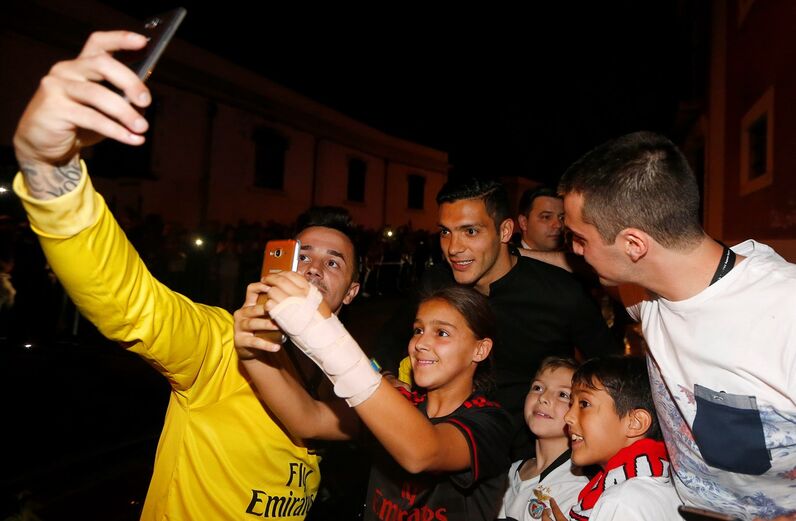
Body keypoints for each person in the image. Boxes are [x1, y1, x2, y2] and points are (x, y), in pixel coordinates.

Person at [11, 31, 363, 520]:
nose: (313, 268)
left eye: (334, 262)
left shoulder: (344, 378)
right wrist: (51, 173)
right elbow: (133, 305)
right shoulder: (220, 345)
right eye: (303, 254)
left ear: (352, 292)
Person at [558, 131, 796, 520]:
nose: (574, 251)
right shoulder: (643, 294)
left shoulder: (786, 311)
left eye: (580, 239)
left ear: (634, 245)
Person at [234, 283, 514, 521]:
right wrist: (252, 355)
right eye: (418, 330)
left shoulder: (491, 422)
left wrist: (322, 332)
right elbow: (309, 419)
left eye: (441, 333)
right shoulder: (399, 402)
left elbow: (423, 452)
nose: (420, 343)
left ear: (480, 349)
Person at [374, 178, 618, 416]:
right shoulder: (436, 282)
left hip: (529, 447)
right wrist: (389, 377)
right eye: (446, 232)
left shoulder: (560, 293)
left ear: (505, 231)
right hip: (446, 432)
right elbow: (390, 338)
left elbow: (610, 371)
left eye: (470, 231)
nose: (453, 248)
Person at [545, 356, 682, 521]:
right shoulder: (662, 484)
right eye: (571, 404)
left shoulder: (622, 502)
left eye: (584, 404)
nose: (568, 417)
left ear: (635, 423)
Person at [497, 357, 588, 521]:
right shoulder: (509, 472)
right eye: (537, 387)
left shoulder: (578, 488)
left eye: (562, 394)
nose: (543, 397)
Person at [516, 187, 565, 251]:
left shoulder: (571, 258)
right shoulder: (509, 258)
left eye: (562, 218)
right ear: (523, 222)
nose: (558, 225)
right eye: (546, 217)